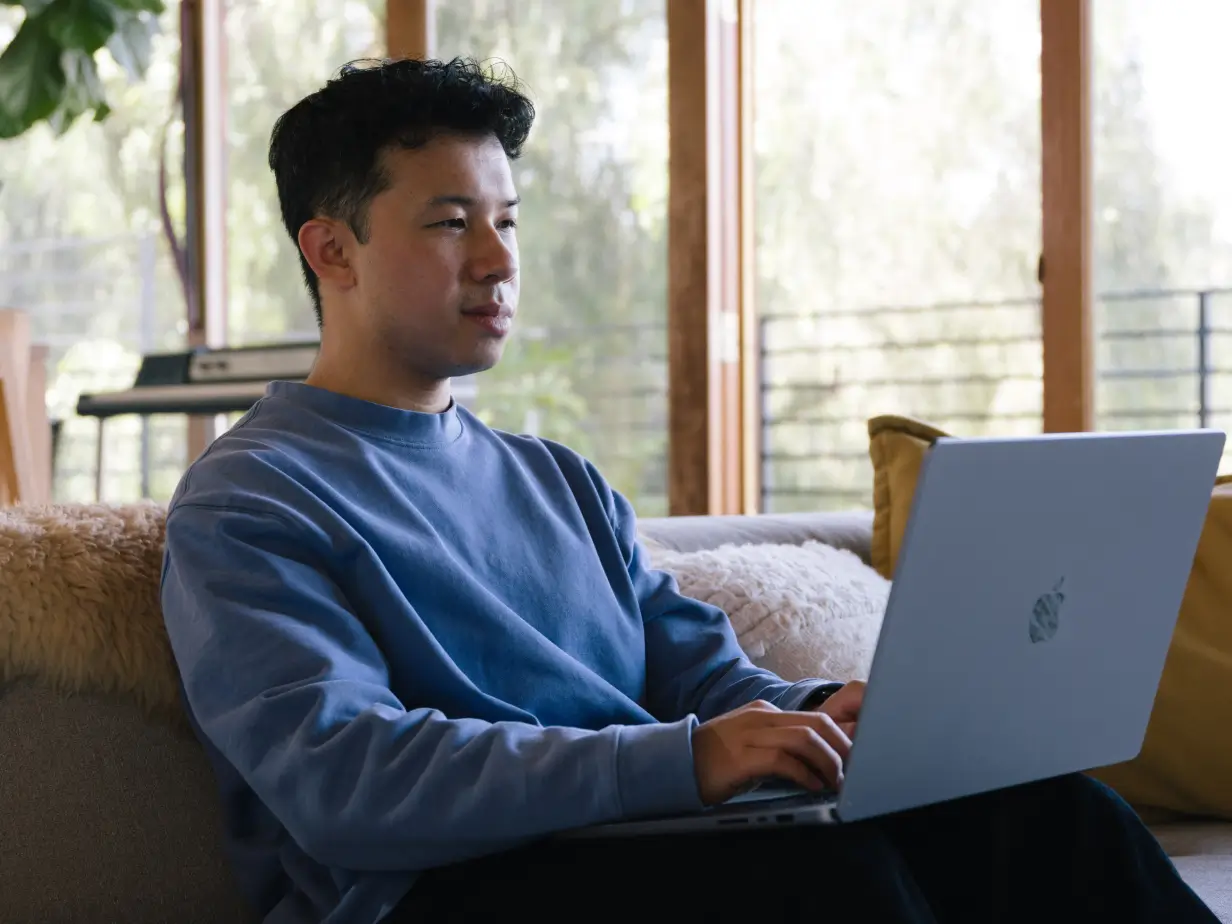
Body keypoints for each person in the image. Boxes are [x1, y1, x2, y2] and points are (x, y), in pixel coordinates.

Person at [159, 57, 1217, 924]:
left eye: (509, 221)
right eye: (448, 223)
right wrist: (678, 763)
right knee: (819, 884)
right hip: (439, 892)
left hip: (643, 847)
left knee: (1036, 811)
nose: (496, 260)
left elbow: (703, 676)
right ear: (330, 250)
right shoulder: (252, 500)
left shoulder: (555, 479)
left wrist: (823, 717)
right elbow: (346, 782)